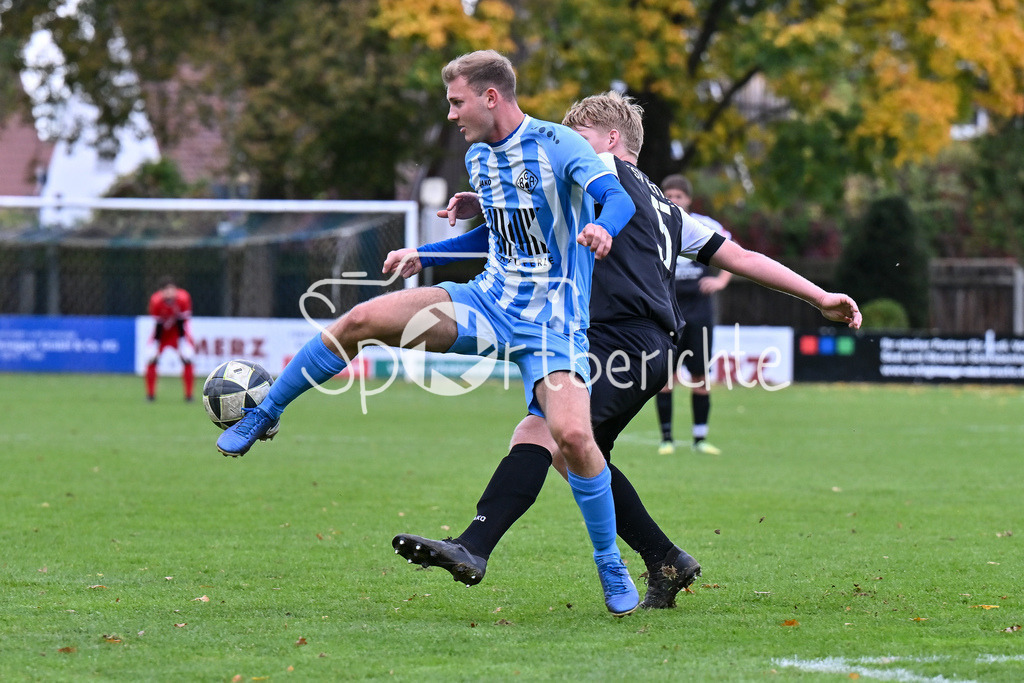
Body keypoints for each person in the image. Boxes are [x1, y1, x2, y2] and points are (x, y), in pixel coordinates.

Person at [392, 92, 863, 609]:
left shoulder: (598, 174)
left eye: (580, 137)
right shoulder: (668, 208)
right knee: (578, 455)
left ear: (611, 140)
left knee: (539, 432)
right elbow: (743, 257)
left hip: (617, 338)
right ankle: (666, 558)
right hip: (648, 346)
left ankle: (473, 545)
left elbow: (533, 197)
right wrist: (819, 296)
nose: (568, 147)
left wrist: (482, 203)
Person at [215, 50, 644, 616]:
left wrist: (602, 228)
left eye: (457, 102)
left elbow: (617, 198)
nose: (451, 114)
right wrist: (426, 253)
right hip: (487, 303)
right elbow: (499, 234)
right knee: (361, 320)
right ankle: (265, 411)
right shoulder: (478, 157)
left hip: (552, 325)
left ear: (491, 96)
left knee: (573, 439)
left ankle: (609, 562)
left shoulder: (558, 144)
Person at [656, 175, 731, 456]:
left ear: (688, 199)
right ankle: (666, 439)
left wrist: (720, 281)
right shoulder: (655, 223)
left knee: (700, 375)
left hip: (700, 312)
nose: (674, 200)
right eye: (669, 195)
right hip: (668, 311)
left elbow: (734, 253)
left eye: (679, 196)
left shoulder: (705, 225)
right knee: (666, 377)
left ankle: (700, 439)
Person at [145, 276, 195, 402]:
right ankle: (150, 395)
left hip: (178, 333)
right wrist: (155, 345)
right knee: (151, 359)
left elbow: (182, 323)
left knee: (187, 359)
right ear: (161, 292)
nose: (170, 293)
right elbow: (158, 325)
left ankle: (189, 395)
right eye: (166, 290)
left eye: (172, 290)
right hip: (162, 335)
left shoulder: (183, 299)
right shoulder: (156, 301)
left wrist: (182, 343)